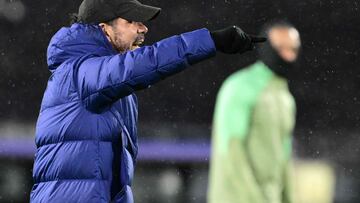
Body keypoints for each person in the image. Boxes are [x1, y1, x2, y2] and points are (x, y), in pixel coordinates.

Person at [30, 0, 266, 202]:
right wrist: (210, 41)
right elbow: (143, 63)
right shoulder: (80, 71)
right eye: (132, 21)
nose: (143, 28)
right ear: (104, 28)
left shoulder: (104, 80)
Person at [208, 21, 301, 203]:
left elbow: (284, 158)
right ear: (266, 48)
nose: (288, 56)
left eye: (293, 49)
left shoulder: (285, 98)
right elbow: (231, 151)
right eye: (280, 48)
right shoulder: (240, 86)